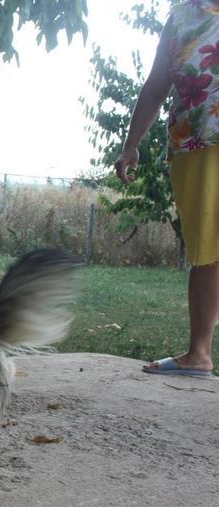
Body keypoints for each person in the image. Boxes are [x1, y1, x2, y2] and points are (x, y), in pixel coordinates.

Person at [115, 0, 219, 378]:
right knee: (207, 248)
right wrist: (131, 145)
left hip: (197, 140)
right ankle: (199, 353)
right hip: (197, 141)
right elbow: (156, 86)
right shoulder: (181, 17)